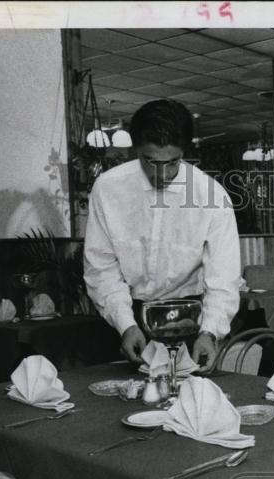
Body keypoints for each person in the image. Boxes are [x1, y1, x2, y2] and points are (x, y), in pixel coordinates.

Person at [83, 99, 241, 369]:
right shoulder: (108, 189)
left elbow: (224, 277)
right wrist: (125, 324)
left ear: (184, 152)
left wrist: (210, 331)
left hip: (191, 319)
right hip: (127, 316)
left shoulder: (211, 195)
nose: (161, 174)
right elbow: (101, 268)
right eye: (150, 161)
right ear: (135, 150)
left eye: (172, 163)